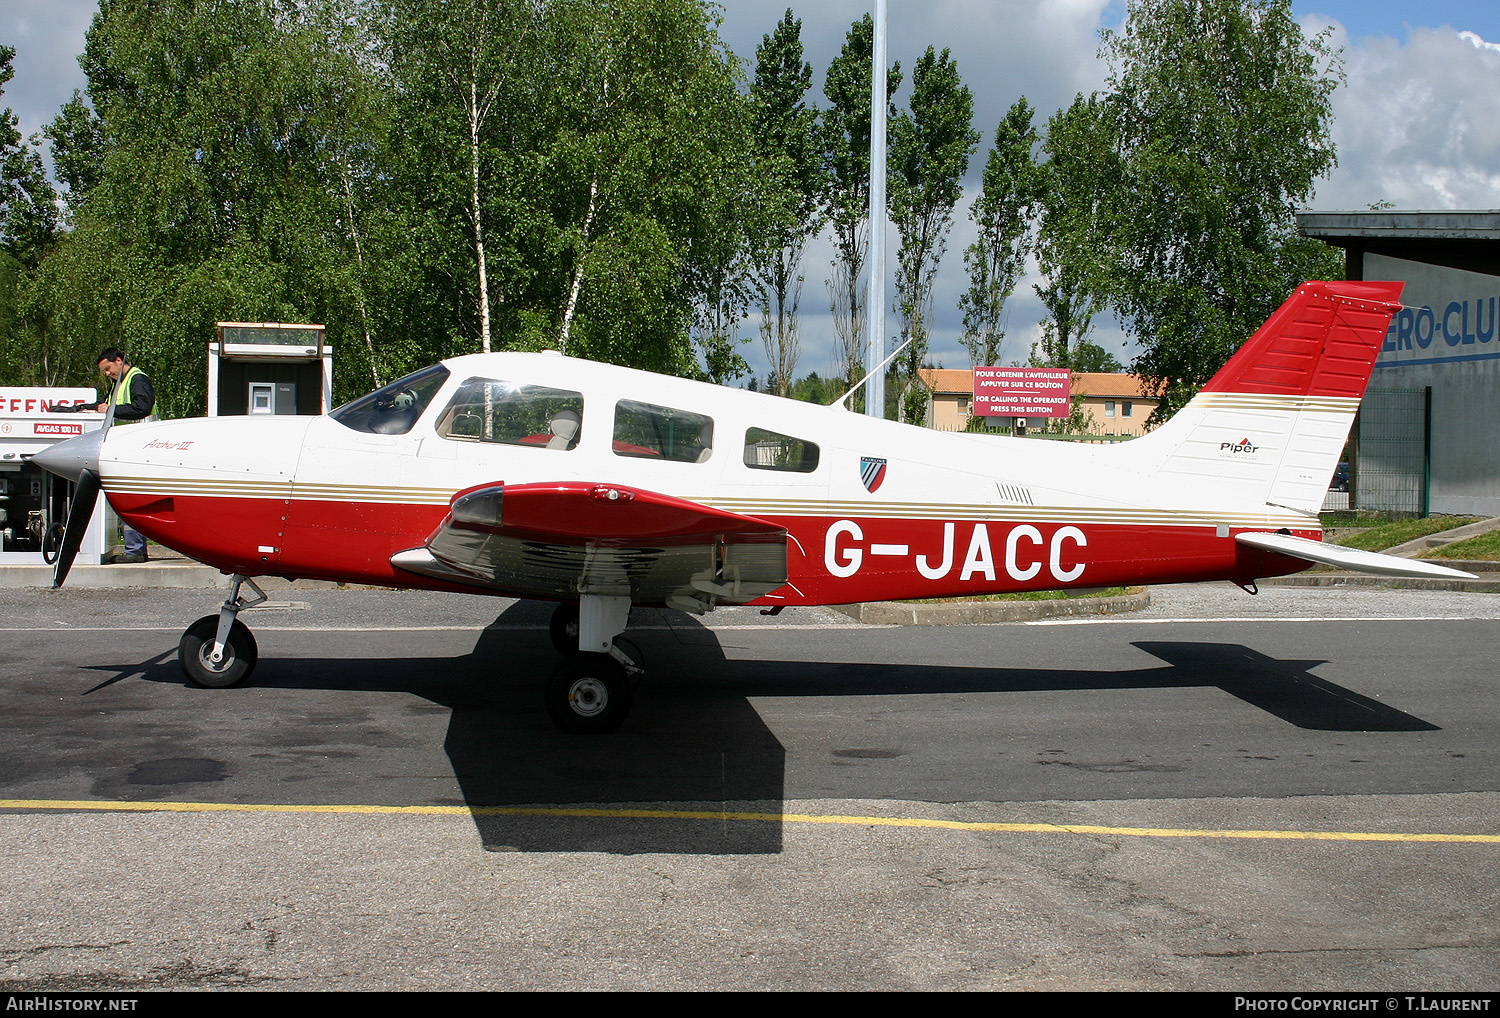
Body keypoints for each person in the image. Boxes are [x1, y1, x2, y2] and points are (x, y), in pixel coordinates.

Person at [96, 348, 157, 563]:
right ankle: (135, 549)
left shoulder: (137, 378)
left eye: (108, 368)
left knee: (130, 496)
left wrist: (111, 410)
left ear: (119, 361)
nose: (106, 373)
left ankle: (135, 550)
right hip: (130, 446)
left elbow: (142, 407)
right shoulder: (120, 382)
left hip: (139, 446)